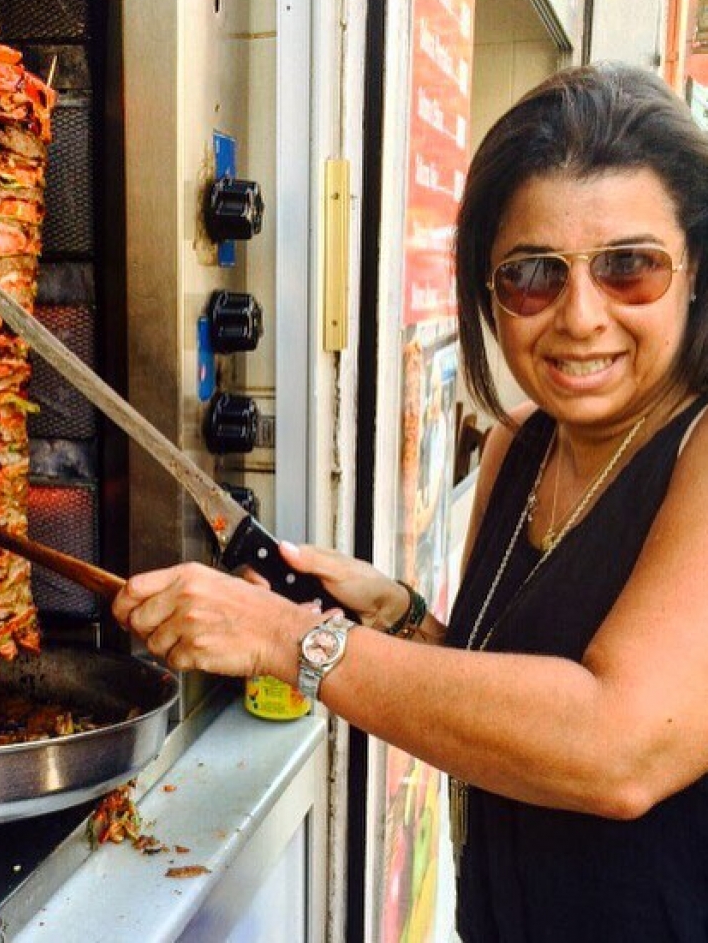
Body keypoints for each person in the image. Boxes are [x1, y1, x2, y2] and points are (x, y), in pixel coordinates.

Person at [111, 62, 708, 942]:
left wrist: (288, 640)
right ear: (489, 294)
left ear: (695, 272)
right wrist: (397, 618)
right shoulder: (519, 448)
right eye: (534, 276)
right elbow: (504, 701)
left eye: (629, 268)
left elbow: (618, 747)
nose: (581, 316)